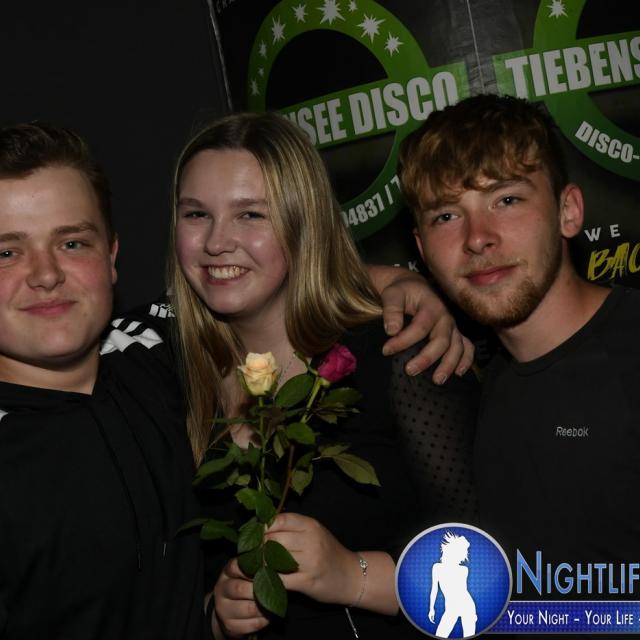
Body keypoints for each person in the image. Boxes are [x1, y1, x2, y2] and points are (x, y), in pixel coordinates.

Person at [165, 111, 479, 639]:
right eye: (196, 214)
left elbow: (498, 573)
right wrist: (216, 617)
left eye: (250, 214)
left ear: (302, 222)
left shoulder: (402, 356)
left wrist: (352, 575)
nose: (216, 242)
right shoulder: (168, 379)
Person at [400, 94, 640, 605]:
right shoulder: (478, 376)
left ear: (567, 211)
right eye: (446, 215)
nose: (477, 238)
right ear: (421, 249)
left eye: (506, 200)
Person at [0, 123, 208, 638]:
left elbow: (273, 287)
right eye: (6, 252)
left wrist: (392, 282)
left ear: (111, 257)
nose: (46, 275)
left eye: (72, 243)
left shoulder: (154, 348)